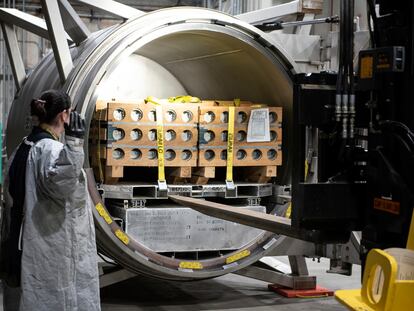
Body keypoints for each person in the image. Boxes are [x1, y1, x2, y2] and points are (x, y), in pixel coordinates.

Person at [0, 90, 100, 311]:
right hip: (53, 240)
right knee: (56, 298)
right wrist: (74, 146)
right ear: (64, 115)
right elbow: (61, 185)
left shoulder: (25, 145)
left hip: (27, 237)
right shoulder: (51, 150)